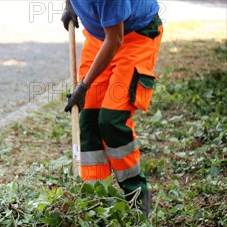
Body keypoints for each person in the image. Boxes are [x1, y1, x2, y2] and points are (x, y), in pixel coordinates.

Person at [62, 0, 163, 215]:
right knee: (88, 119)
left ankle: (136, 196)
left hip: (135, 36)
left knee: (111, 119)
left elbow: (115, 39)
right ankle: (95, 202)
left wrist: (84, 85)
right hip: (99, 38)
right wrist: (69, 5)